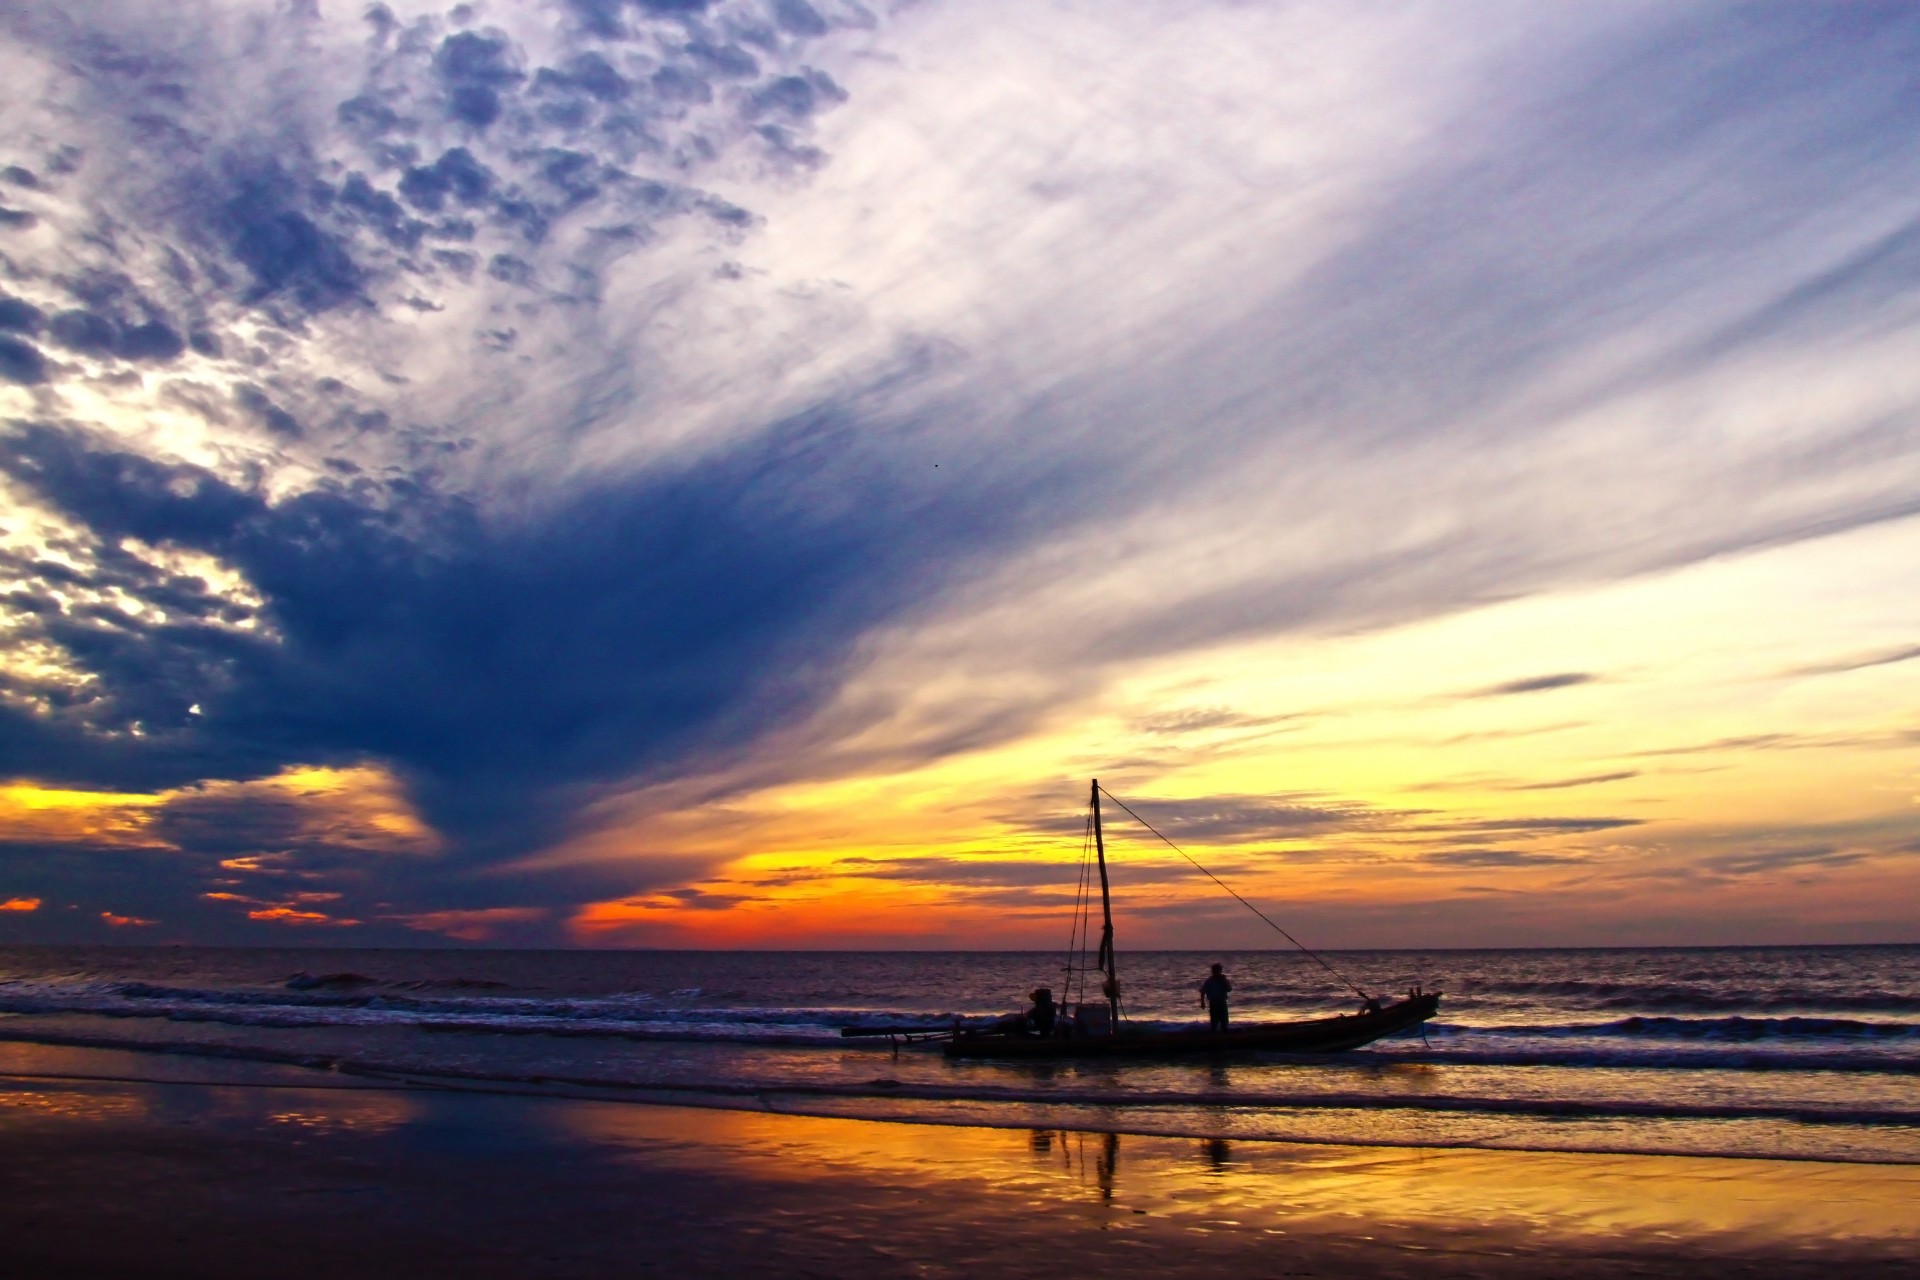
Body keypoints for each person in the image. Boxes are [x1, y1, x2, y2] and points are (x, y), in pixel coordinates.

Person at [1198, 963, 1232, 1031]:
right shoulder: (1209, 981)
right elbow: (1203, 991)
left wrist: (1224, 981)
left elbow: (1229, 989)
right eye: (1216, 971)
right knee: (1214, 1021)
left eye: (1219, 970)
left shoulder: (1223, 980)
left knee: (1224, 1021)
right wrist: (1202, 1002)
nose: (1217, 972)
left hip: (1222, 1002)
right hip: (1213, 1002)